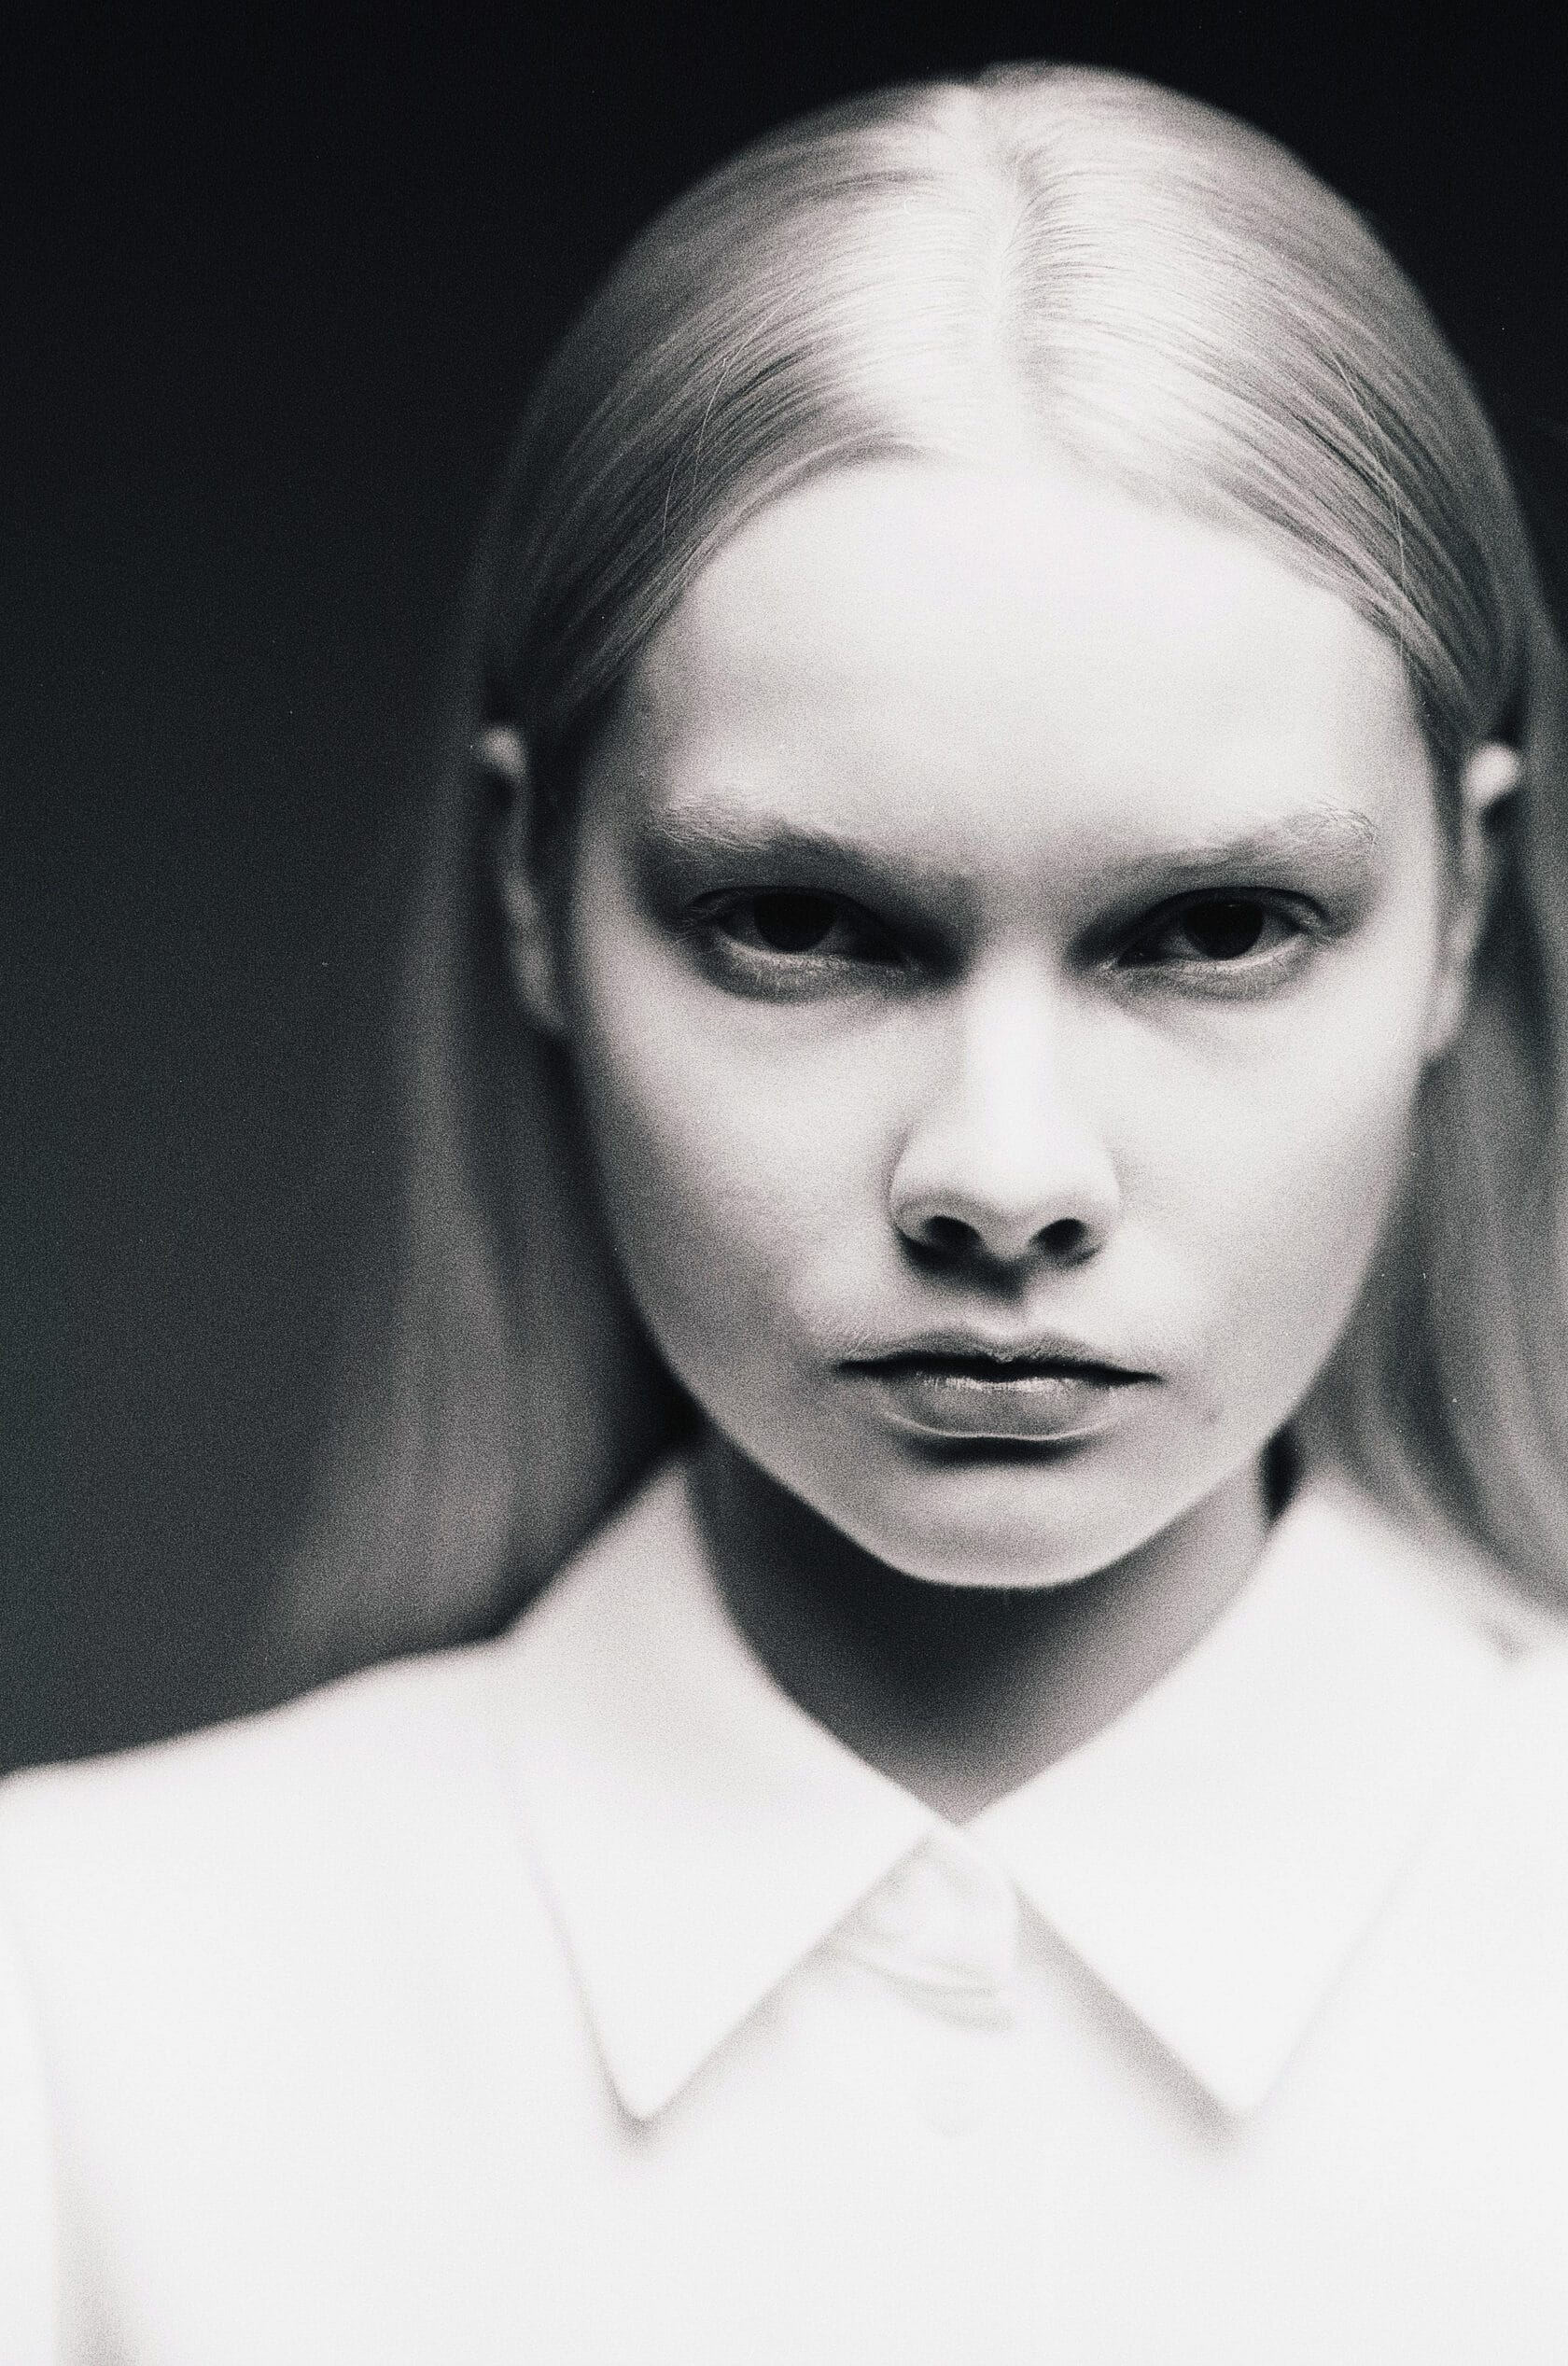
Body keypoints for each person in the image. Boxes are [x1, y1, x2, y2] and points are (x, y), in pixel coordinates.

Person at [4, 60, 1568, 2364]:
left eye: (1217, 924)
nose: (1006, 1174)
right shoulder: (74, 2025)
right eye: (804, 922)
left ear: (1462, 911)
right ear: (537, 889)